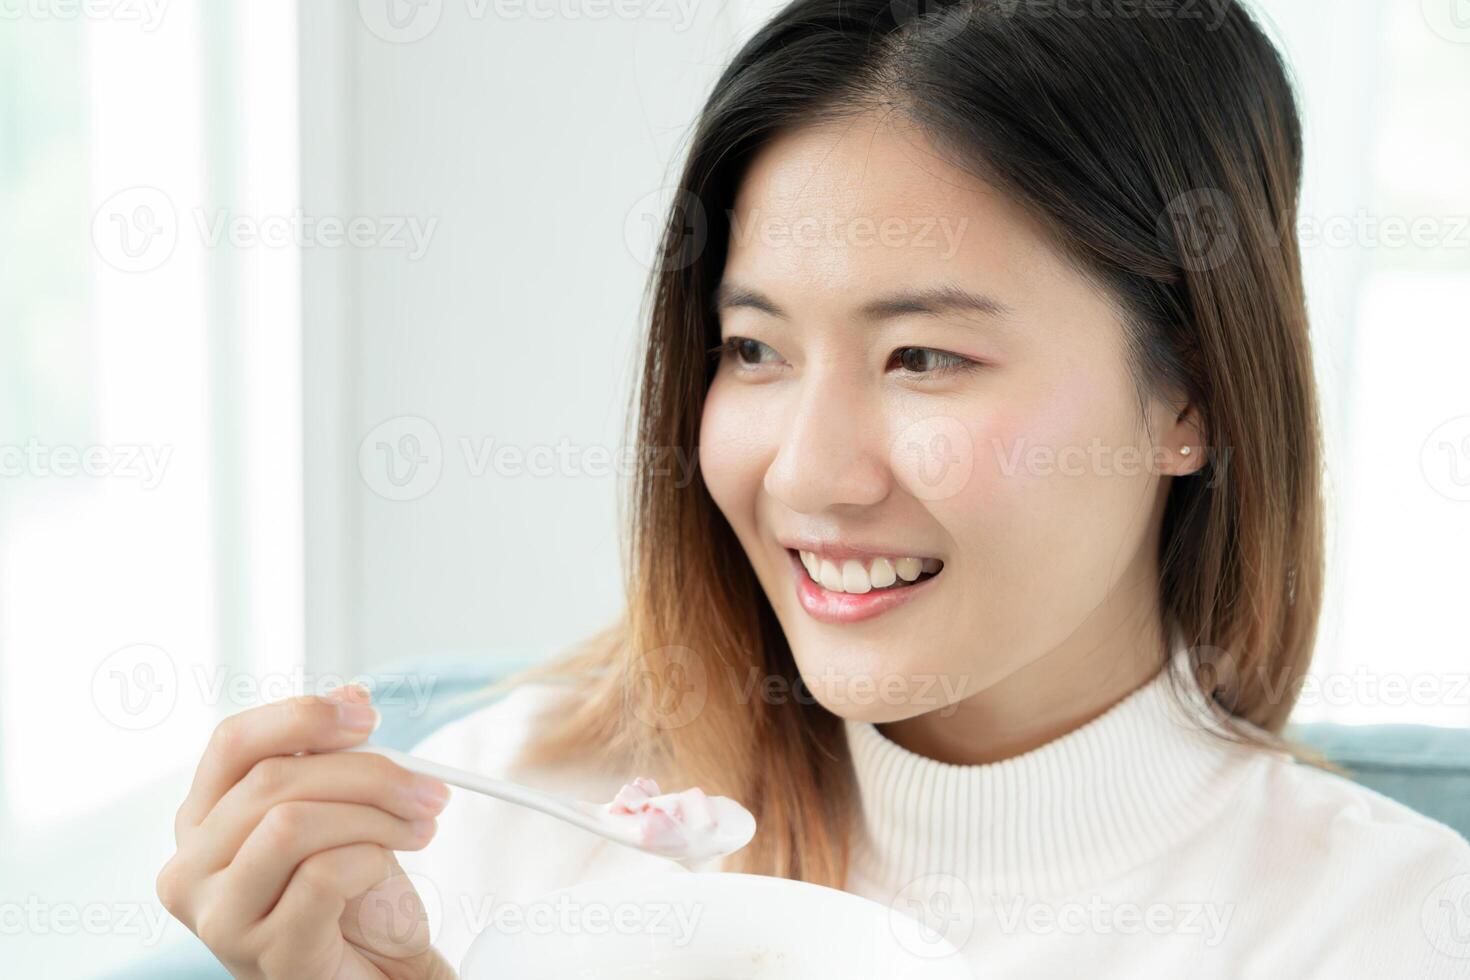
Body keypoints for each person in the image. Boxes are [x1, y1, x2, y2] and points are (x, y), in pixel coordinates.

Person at [156, 1, 1470, 976]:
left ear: (1190, 396)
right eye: (753, 350)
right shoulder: (481, 832)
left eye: (924, 357)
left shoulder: (1381, 929)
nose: (806, 472)